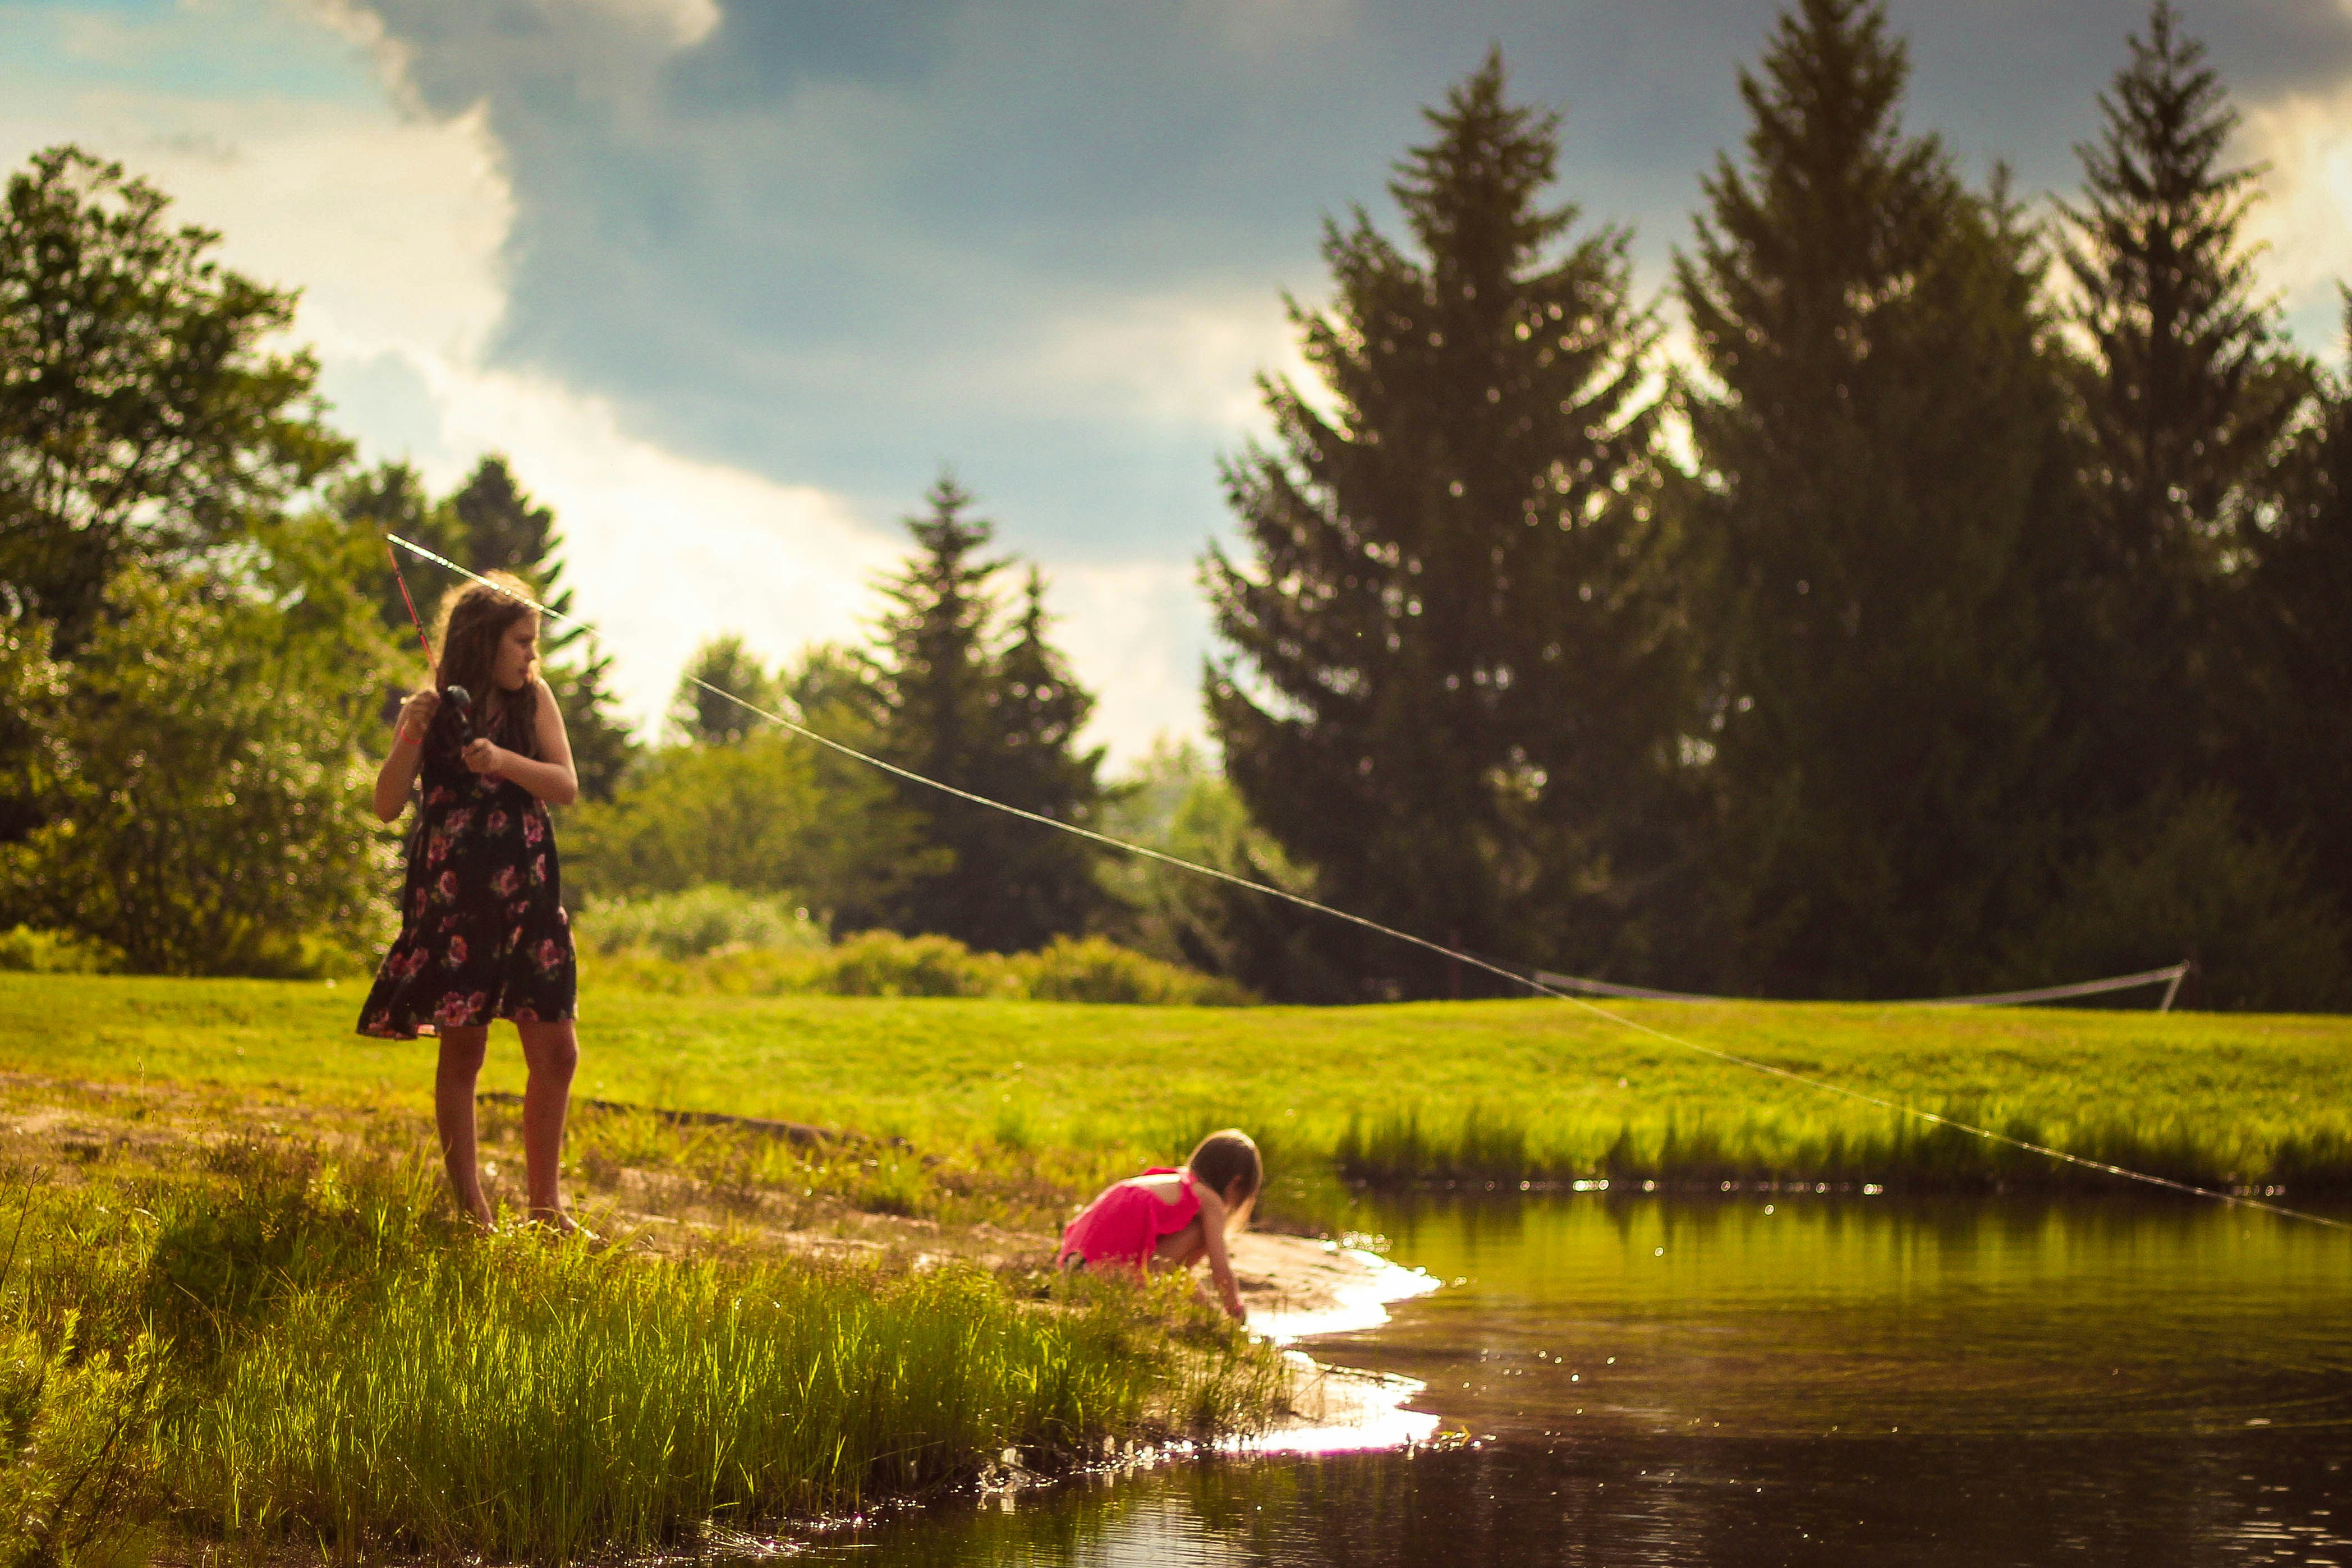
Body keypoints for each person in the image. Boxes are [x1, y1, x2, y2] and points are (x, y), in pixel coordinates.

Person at [357, 572, 581, 1232]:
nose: (530, 657)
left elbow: (565, 785)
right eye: (522, 642)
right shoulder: (434, 708)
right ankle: (472, 1212)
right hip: (456, 904)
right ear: (484, 641)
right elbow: (385, 804)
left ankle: (547, 1210)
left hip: (529, 898)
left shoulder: (534, 700)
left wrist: (502, 761)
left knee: (558, 1051)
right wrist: (408, 734)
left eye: (534, 643)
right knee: (464, 1053)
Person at [1056, 1129, 1261, 1321]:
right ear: (1236, 1183)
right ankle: (1198, 1315)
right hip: (1105, 1277)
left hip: (1073, 1267)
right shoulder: (1210, 1201)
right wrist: (1235, 1311)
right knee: (1201, 1233)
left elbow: (1172, 1270)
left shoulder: (1172, 1182)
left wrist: (1206, 1309)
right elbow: (1220, 1270)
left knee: (1181, 1272)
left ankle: (1202, 1315)